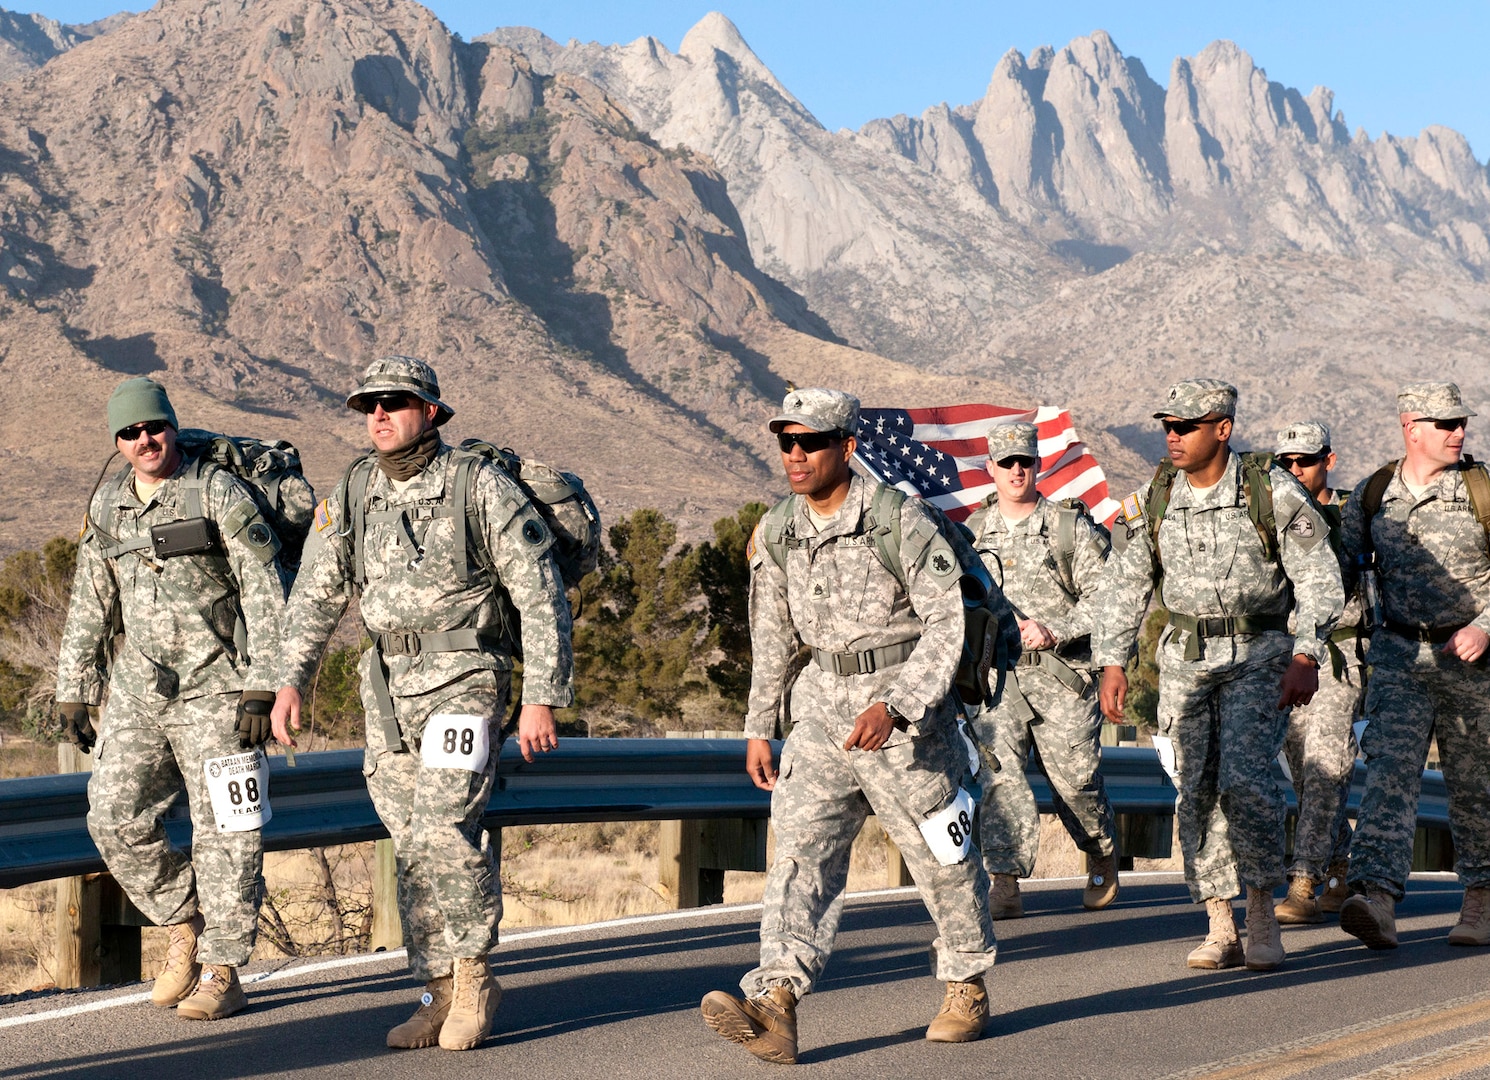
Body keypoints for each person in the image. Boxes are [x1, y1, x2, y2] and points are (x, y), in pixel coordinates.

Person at [270, 356, 574, 1051]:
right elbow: (317, 594)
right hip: (386, 691)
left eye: (396, 402)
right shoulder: (352, 491)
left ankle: (473, 974)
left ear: (431, 410)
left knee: (441, 828)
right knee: (410, 846)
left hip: (466, 679)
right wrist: (290, 680)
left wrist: (542, 697)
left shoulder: (478, 485)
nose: (379, 414)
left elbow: (538, 591)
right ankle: (436, 989)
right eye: (368, 404)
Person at [700, 388, 999, 1065]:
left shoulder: (900, 521)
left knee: (943, 860)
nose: (797, 454)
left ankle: (965, 983)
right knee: (800, 857)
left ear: (847, 447)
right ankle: (776, 1001)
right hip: (820, 713)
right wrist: (759, 726)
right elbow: (770, 637)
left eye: (812, 441)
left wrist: (896, 706)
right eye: (787, 442)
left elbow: (949, 622)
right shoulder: (778, 530)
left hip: (907, 721)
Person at [55, 376, 288, 1020]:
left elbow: (266, 592)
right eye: (129, 433)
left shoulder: (217, 492)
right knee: (112, 816)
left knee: (228, 830)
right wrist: (75, 689)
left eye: (153, 428)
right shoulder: (108, 506)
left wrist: (262, 686)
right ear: (117, 441)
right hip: (139, 689)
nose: (144, 441)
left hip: (221, 687)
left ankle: (222, 967)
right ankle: (182, 925)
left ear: (172, 427)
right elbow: (91, 598)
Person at [1096, 379, 1342, 972]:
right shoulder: (1156, 496)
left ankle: (1262, 912)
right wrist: (1112, 660)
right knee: (1195, 789)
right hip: (1182, 658)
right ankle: (1219, 921)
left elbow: (1319, 578)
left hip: (1258, 652)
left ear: (1223, 429)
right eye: (1168, 426)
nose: (1173, 436)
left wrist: (1307, 654)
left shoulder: (1271, 490)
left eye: (1187, 425)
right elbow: (1127, 581)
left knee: (1246, 781)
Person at [1337, 382, 1490, 950]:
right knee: (1388, 775)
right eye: (1445, 423)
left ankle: (1480, 900)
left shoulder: (1481, 490)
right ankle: (1376, 897)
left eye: (1461, 423)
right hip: (1400, 657)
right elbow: (1340, 576)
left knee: (1475, 787)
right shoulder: (1374, 494)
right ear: (1411, 427)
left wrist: (1485, 626)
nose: (1459, 432)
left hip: (1473, 663)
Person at [967, 421, 1119, 918]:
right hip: (999, 682)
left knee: (1076, 782)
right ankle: (1005, 879)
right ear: (990, 467)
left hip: (1062, 679)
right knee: (1000, 778)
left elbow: (1111, 598)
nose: (1015, 470)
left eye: (1024, 462)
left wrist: (1057, 629)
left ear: (1037, 465)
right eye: (1005, 462)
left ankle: (1099, 852)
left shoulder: (1067, 528)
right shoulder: (972, 535)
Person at [1271, 421, 1362, 924]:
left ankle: (1304, 880)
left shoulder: (1355, 513)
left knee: (1327, 765)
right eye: (1285, 462)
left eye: (1303, 461)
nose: (1293, 470)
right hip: (1286, 659)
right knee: (1308, 775)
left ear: (1328, 460)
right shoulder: (1273, 514)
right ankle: (1342, 865)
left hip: (1339, 658)